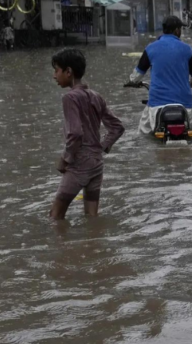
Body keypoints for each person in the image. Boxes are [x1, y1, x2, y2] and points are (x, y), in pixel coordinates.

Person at [50, 49, 126, 220]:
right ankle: (93, 244)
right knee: (92, 217)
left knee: (55, 216)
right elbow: (117, 127)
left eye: (56, 70)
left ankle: (61, 246)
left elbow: (75, 133)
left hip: (79, 165)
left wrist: (65, 158)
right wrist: (102, 147)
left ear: (68, 72)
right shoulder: (95, 96)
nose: (54, 76)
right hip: (97, 164)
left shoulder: (70, 98)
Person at [127, 16, 192, 136]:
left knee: (142, 134)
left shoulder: (151, 48)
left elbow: (137, 75)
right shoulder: (187, 49)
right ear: (177, 30)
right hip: (184, 104)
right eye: (180, 29)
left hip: (156, 104)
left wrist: (131, 81)